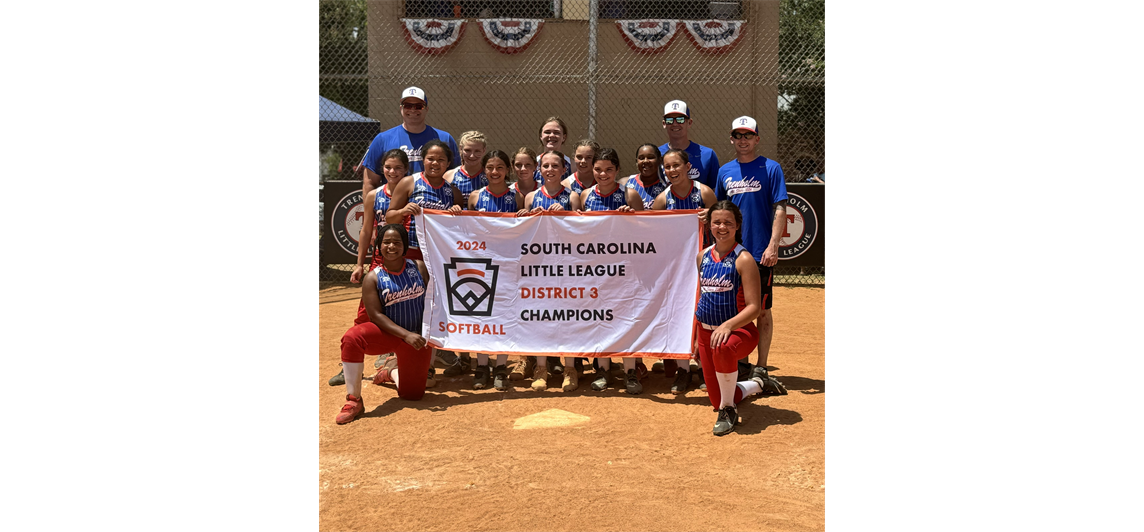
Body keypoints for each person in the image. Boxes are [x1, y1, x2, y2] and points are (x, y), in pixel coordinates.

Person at [714, 116, 789, 395]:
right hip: (733, 253)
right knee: (734, 309)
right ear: (731, 139)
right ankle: (739, 362)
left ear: (757, 139)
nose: (742, 140)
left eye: (748, 135)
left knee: (763, 309)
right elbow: (720, 211)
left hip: (759, 252)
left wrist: (773, 245)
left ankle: (762, 365)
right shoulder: (725, 171)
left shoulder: (771, 168)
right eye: (738, 135)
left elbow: (779, 209)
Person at [336, 224, 434, 425]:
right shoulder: (373, 277)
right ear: (379, 246)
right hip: (389, 334)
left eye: (397, 242)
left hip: (415, 337)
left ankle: (390, 372)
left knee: (413, 395)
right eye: (386, 242)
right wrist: (405, 334)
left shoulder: (419, 267)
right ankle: (354, 400)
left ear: (404, 246)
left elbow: (434, 301)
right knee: (352, 338)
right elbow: (376, 315)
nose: (391, 246)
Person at [695, 201, 774, 436]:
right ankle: (758, 384)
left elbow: (754, 308)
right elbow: (701, 298)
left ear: (737, 225)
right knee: (715, 397)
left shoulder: (744, 259)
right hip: (705, 332)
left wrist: (728, 325)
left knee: (723, 350)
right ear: (709, 225)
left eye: (728, 223)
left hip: (739, 332)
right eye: (716, 222)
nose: (722, 227)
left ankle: (728, 410)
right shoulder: (702, 257)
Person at [577, 148, 647, 394]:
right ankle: (603, 370)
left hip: (625, 270)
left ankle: (630, 372)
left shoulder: (629, 195)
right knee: (600, 320)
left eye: (608, 169)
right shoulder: (584, 195)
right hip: (594, 270)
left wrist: (632, 218)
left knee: (626, 319)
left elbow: (648, 232)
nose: (603, 174)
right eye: (598, 169)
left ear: (617, 170)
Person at [651, 147, 717, 394]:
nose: (671, 171)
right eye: (667, 167)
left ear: (687, 167)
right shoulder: (663, 199)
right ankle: (683, 370)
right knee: (679, 315)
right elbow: (651, 232)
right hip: (676, 268)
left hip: (705, 265)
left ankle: (702, 367)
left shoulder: (704, 192)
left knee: (703, 315)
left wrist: (710, 214)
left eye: (676, 165)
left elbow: (724, 219)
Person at [464, 150, 526, 391]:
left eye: (500, 167)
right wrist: (458, 214)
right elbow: (463, 230)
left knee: (502, 314)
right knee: (481, 313)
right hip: (481, 264)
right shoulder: (475, 197)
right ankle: (481, 366)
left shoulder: (516, 198)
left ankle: (500, 366)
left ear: (507, 170)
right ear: (484, 169)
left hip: (508, 264)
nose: (494, 172)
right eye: (490, 167)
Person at [360, 87, 459, 196]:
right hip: (394, 206)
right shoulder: (382, 139)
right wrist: (369, 210)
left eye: (418, 106)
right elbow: (370, 182)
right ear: (401, 108)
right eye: (407, 105)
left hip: (434, 205)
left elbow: (455, 177)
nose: (413, 110)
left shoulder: (444, 138)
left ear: (426, 109)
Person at [386, 139, 465, 260]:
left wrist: (457, 212)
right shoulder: (409, 182)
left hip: (440, 251)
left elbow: (460, 227)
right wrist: (403, 211)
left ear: (448, 163)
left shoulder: (454, 192)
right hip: (411, 248)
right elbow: (390, 218)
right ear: (423, 160)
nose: (435, 163)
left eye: (441, 160)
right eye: (430, 159)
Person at [659, 100, 721, 191]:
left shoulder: (707, 155)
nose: (675, 124)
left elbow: (715, 190)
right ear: (664, 124)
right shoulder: (656, 154)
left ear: (689, 123)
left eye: (680, 119)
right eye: (670, 120)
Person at [444, 131, 490, 208]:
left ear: (484, 150)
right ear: (461, 149)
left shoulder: (490, 175)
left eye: (477, 151)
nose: (472, 156)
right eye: (467, 150)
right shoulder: (450, 176)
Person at [624, 143, 668, 210]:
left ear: (660, 160)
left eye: (650, 157)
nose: (645, 161)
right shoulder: (625, 183)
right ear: (636, 161)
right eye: (641, 158)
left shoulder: (666, 186)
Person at [535, 117, 573, 186]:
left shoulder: (573, 166)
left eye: (556, 132)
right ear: (541, 136)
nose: (552, 135)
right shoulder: (533, 164)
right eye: (547, 132)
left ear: (564, 137)